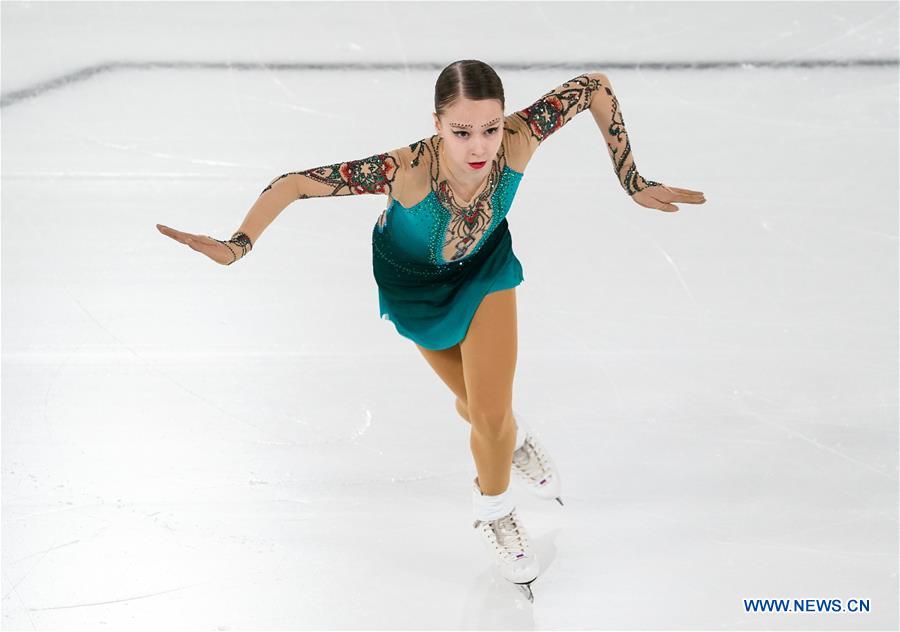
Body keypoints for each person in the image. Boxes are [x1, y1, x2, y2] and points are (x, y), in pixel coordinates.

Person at [156, 59, 706, 601]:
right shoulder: (405, 169)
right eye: (461, 130)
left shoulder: (520, 137)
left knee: (488, 415)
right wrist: (238, 244)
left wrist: (631, 179)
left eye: (490, 128)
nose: (479, 147)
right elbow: (295, 184)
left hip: (487, 269)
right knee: (478, 409)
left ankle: (494, 511)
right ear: (437, 123)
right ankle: (511, 440)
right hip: (414, 289)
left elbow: (594, 86)